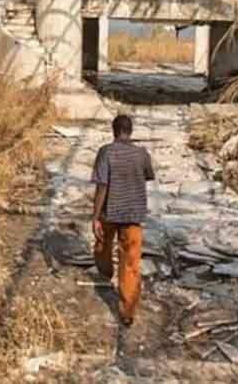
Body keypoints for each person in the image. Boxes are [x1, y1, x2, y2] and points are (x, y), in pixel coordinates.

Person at [91, 113, 155, 327]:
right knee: (130, 262)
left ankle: (105, 272)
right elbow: (148, 175)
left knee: (102, 245)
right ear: (130, 131)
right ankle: (127, 311)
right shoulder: (142, 154)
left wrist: (95, 217)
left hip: (110, 211)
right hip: (133, 214)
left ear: (114, 131)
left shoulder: (105, 152)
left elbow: (102, 186)